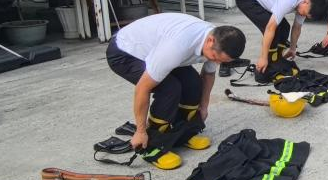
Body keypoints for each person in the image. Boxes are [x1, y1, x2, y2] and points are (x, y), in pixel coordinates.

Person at [105, 13, 246, 168]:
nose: (216, 62)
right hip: (125, 52)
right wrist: (140, 131)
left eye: (222, 61)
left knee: (193, 83)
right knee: (169, 89)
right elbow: (142, 88)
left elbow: (208, 74)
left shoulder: (218, 42)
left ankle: (182, 133)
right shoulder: (177, 46)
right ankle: (151, 146)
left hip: (158, 48)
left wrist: (204, 106)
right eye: (215, 58)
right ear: (210, 40)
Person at [234, 0, 312, 81]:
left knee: (285, 27)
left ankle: (276, 59)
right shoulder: (289, 0)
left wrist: (292, 49)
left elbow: (297, 28)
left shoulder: (305, 4)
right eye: (305, 14)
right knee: (273, 29)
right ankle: (266, 65)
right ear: (306, 2)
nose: (304, 16)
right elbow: (270, 28)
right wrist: (263, 57)